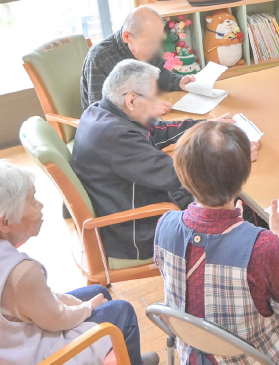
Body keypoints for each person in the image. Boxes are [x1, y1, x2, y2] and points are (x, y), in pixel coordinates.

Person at [154, 121, 279, 365]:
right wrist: (277, 233)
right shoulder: (261, 244)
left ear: (183, 176)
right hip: (253, 355)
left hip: (193, 351)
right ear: (243, 176)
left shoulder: (165, 224)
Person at [0, 161, 158, 365]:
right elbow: (57, 318)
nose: (40, 205)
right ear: (5, 222)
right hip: (31, 358)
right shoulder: (21, 273)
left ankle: (129, 357)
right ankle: (129, 355)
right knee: (122, 312)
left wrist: (82, 304)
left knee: (99, 291)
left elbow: (37, 300)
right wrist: (87, 307)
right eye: (32, 201)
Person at [71, 59, 250, 268]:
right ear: (131, 100)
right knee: (232, 199)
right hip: (136, 231)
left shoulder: (100, 112)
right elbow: (178, 175)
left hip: (125, 205)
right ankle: (246, 265)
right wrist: (227, 154)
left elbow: (157, 130)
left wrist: (209, 126)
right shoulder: (118, 137)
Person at [80, 6, 195, 114]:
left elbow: (161, 74)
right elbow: (99, 111)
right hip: (112, 128)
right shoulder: (100, 56)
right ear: (127, 37)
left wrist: (179, 82)